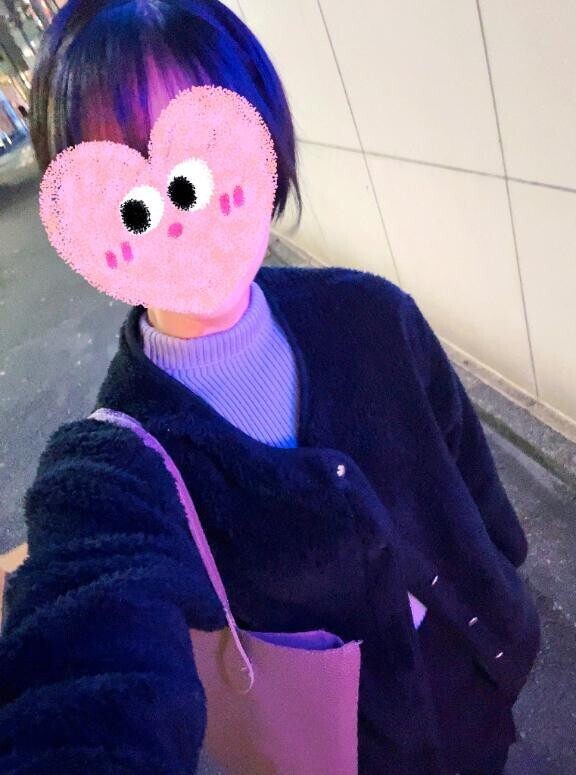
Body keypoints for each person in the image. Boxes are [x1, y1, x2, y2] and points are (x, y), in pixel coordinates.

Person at [0, 1, 541, 773]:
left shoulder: (371, 313)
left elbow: (465, 468)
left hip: (482, 682)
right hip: (355, 753)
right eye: (131, 199)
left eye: (198, 159)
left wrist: (503, 573)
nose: (177, 219)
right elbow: (87, 653)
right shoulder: (116, 469)